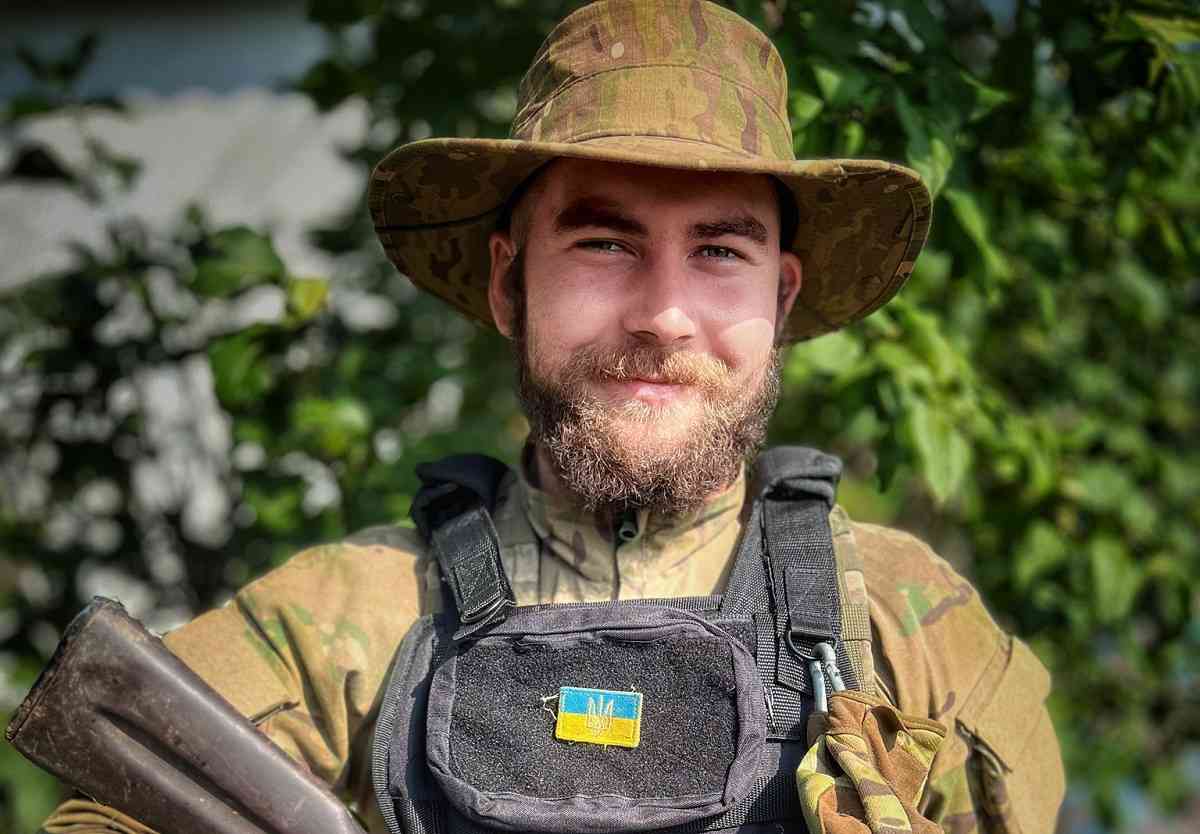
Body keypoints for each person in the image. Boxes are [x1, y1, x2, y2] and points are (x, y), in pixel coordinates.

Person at [37, 2, 1064, 833]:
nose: (664, 314)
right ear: (508, 283)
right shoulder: (343, 623)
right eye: (604, 244)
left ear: (781, 298)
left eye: (719, 251)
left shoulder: (909, 631)